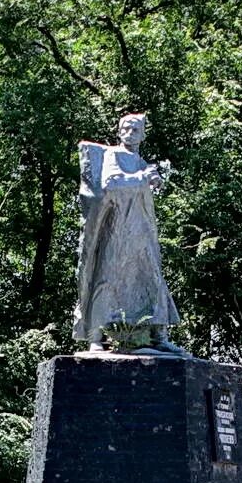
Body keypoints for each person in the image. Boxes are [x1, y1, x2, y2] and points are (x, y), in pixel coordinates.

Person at [72, 113, 185, 354]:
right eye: (126, 128)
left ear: (143, 134)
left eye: (136, 130)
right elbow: (111, 183)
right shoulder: (114, 155)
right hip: (117, 228)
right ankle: (95, 336)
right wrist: (142, 178)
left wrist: (153, 180)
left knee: (152, 278)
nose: (130, 133)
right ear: (119, 131)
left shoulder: (142, 162)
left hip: (142, 230)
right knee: (107, 277)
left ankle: (158, 335)